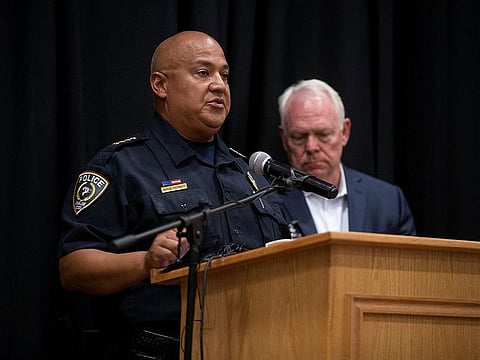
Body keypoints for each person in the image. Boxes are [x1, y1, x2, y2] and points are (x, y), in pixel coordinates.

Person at [58, 30, 288, 360]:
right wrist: (146, 262)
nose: (219, 85)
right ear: (160, 85)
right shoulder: (123, 166)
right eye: (202, 72)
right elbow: (73, 268)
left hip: (255, 346)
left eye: (224, 75)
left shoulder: (247, 173)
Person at [277, 79, 416, 236]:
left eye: (323, 134)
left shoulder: (388, 202)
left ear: (344, 132)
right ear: (284, 138)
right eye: (299, 136)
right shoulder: (266, 203)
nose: (311, 147)